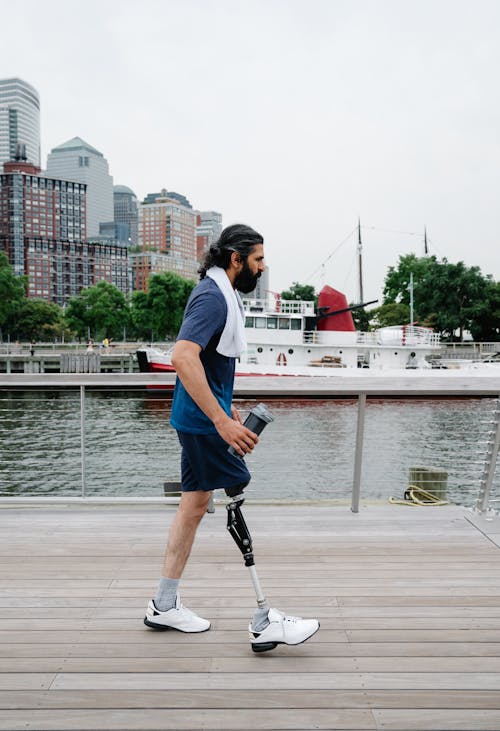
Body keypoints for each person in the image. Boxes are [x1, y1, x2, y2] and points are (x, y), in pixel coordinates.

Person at [144, 224, 319, 650]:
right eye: (257, 259)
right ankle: (264, 620)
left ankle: (164, 604)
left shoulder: (220, 292)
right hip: (205, 426)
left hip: (200, 418)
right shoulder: (211, 297)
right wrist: (222, 422)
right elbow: (183, 356)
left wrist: (226, 404)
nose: (263, 266)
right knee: (236, 498)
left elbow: (208, 362)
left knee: (194, 506)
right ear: (235, 259)